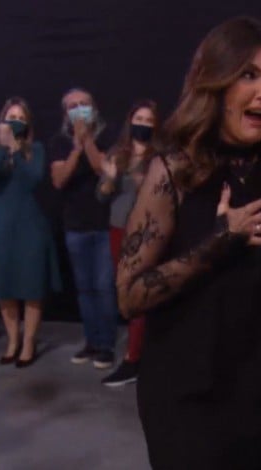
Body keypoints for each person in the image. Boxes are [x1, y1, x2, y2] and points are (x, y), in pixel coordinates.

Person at [115, 16, 261, 470]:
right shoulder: (174, 170)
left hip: (259, 394)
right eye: (249, 75)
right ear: (215, 82)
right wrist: (220, 242)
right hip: (185, 398)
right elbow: (130, 296)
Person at [0, 97, 62, 368]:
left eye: (20, 118)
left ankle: (29, 342)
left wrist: (17, 151)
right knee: (4, 288)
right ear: (2, 121)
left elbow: (34, 179)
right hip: (3, 227)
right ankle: (12, 340)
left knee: (31, 288)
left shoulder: (35, 149)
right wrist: (4, 149)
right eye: (11, 117)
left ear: (27, 124)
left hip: (31, 228)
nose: (15, 122)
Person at [49, 88, 118, 369]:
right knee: (85, 289)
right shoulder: (59, 141)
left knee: (104, 288)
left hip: (103, 224)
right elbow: (59, 180)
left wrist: (87, 139)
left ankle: (106, 345)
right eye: (72, 106)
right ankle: (91, 342)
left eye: (84, 104)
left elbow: (103, 169)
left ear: (94, 108)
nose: (78, 109)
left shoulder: (108, 135)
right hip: (74, 226)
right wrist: (76, 147)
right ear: (65, 113)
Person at [98, 99, 157, 387]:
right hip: (118, 230)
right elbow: (102, 196)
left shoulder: (159, 157)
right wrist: (110, 179)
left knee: (140, 294)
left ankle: (134, 358)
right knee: (125, 292)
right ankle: (136, 353)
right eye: (139, 119)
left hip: (146, 233)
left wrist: (144, 181)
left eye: (149, 121)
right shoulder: (117, 154)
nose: (143, 125)